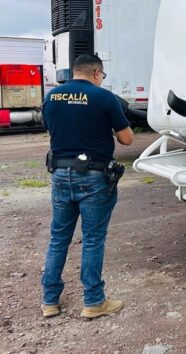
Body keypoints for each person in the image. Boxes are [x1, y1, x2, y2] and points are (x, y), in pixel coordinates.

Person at [40, 54, 134, 319]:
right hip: (94, 176)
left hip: (60, 173)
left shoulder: (52, 97)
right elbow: (127, 139)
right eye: (102, 76)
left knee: (58, 239)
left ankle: (49, 301)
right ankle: (93, 302)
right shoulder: (104, 98)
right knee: (92, 240)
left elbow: (50, 128)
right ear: (96, 73)